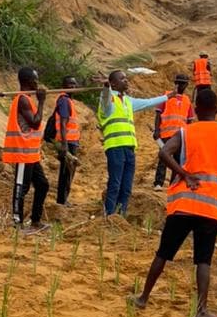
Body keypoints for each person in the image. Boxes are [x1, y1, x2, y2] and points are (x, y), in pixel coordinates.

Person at [133, 88, 217, 317]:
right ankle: (201, 310)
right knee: (203, 260)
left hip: (184, 203)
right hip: (209, 207)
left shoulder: (186, 131)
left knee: (163, 253)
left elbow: (164, 153)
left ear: (195, 109)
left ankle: (143, 298)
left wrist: (184, 174)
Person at [97, 70, 167, 217]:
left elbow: (148, 102)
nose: (126, 81)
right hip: (115, 147)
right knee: (115, 184)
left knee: (127, 187)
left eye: (126, 78)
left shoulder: (128, 101)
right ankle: (109, 215)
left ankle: (120, 215)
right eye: (122, 79)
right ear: (114, 83)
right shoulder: (108, 101)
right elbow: (105, 98)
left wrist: (167, 97)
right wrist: (105, 87)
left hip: (129, 148)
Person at [2, 66, 49, 231]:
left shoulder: (27, 99)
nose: (38, 83)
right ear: (29, 82)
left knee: (43, 185)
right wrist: (42, 101)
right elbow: (35, 122)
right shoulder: (22, 99)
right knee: (21, 187)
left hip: (31, 154)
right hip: (22, 152)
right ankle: (17, 222)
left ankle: (35, 220)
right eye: (35, 80)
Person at [152, 74, 194, 189]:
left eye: (182, 83)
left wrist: (188, 135)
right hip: (166, 133)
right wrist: (156, 130)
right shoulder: (167, 96)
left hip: (180, 136)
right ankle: (158, 183)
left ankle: (173, 184)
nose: (179, 85)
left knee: (178, 161)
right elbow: (158, 114)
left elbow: (189, 120)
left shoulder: (187, 100)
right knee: (163, 159)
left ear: (186, 85)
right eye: (178, 82)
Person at [53, 76, 81, 206]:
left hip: (71, 141)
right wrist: (64, 145)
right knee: (66, 173)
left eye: (74, 84)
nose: (73, 87)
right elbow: (63, 124)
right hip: (67, 142)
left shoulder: (68, 100)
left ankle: (64, 199)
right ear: (63, 85)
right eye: (70, 84)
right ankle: (62, 200)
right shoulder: (64, 100)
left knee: (68, 172)